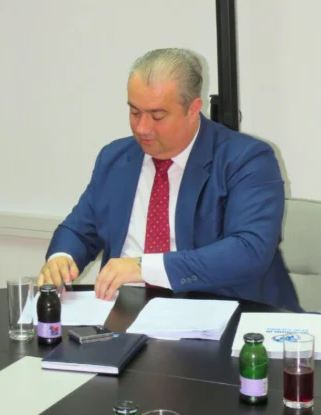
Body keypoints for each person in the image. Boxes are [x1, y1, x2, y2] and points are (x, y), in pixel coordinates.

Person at [38, 48, 300, 312]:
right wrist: (62, 258)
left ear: (193, 109)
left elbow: (249, 251)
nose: (142, 128)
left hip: (224, 313)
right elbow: (79, 231)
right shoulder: (115, 158)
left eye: (157, 116)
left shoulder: (246, 159)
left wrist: (144, 267)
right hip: (126, 314)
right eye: (135, 112)